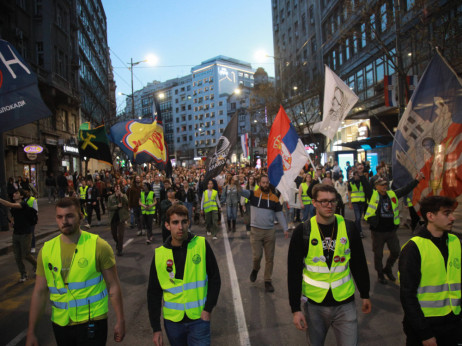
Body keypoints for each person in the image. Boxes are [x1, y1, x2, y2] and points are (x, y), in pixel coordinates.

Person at [25, 197, 125, 345]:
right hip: (61, 324)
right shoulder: (46, 250)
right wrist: (31, 331)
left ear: (81, 216)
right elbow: (39, 292)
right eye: (60, 217)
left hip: (92, 322)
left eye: (70, 216)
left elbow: (113, 285)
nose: (64, 221)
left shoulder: (99, 246)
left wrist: (120, 320)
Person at [288, 184, 371, 345]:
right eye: (324, 201)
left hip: (345, 303)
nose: (329, 205)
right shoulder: (302, 232)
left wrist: (365, 293)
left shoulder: (348, 227)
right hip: (314, 305)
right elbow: (293, 273)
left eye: (333, 201)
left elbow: (358, 263)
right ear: (314, 203)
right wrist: (295, 309)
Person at [147, 204, 221, 346]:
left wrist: (208, 309)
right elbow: (153, 294)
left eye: (184, 222)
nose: (180, 227)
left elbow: (215, 278)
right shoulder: (159, 255)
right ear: (167, 225)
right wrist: (156, 328)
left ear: (188, 222)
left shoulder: (201, 244)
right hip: (173, 323)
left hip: (199, 319)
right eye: (175, 222)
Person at [399, 196, 461, 345]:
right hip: (426, 326)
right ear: (430, 216)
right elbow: (407, 296)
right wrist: (424, 334)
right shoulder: (413, 248)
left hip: (454, 323)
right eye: (447, 213)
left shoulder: (455, 241)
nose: (452, 218)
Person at [363, 170, 424, 284]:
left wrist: (416, 180)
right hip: (378, 231)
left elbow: (406, 189)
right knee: (378, 254)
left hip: (391, 231)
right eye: (382, 185)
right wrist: (362, 175)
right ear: (376, 186)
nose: (384, 187)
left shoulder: (392, 194)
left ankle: (388, 268)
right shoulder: (373, 195)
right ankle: (380, 273)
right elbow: (366, 186)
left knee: (396, 252)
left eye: (386, 185)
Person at [237, 175, 289, 293]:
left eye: (267, 183)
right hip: (256, 231)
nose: (265, 185)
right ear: (259, 183)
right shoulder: (253, 194)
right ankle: (255, 269)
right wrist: (236, 183)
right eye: (263, 182)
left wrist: (285, 228)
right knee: (257, 257)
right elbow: (240, 192)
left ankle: (267, 281)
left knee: (269, 258)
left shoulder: (274, 198)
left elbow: (279, 214)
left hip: (270, 232)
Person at [0, 189, 37, 282]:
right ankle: (23, 274)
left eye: (16, 193)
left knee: (26, 254)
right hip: (16, 233)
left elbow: (10, 205)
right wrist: (12, 222)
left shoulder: (23, 204)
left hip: (25, 233)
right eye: (14, 193)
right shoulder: (14, 207)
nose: (14, 194)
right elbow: (13, 215)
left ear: (21, 196)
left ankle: (37, 265)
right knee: (17, 256)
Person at [108, 184, 129, 256]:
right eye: (116, 188)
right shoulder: (111, 197)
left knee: (120, 234)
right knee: (114, 234)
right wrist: (117, 206)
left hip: (121, 218)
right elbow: (109, 207)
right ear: (114, 189)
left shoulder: (124, 196)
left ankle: (120, 249)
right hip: (113, 218)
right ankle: (117, 242)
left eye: (119, 187)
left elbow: (127, 203)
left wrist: (122, 196)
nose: (117, 189)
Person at [347, 166, 366, 238]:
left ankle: (355, 229)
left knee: (358, 218)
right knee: (358, 218)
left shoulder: (362, 182)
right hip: (355, 202)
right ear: (354, 175)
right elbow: (349, 193)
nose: (357, 176)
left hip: (362, 202)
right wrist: (349, 203)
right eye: (356, 175)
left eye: (358, 175)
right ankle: (360, 232)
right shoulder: (351, 183)